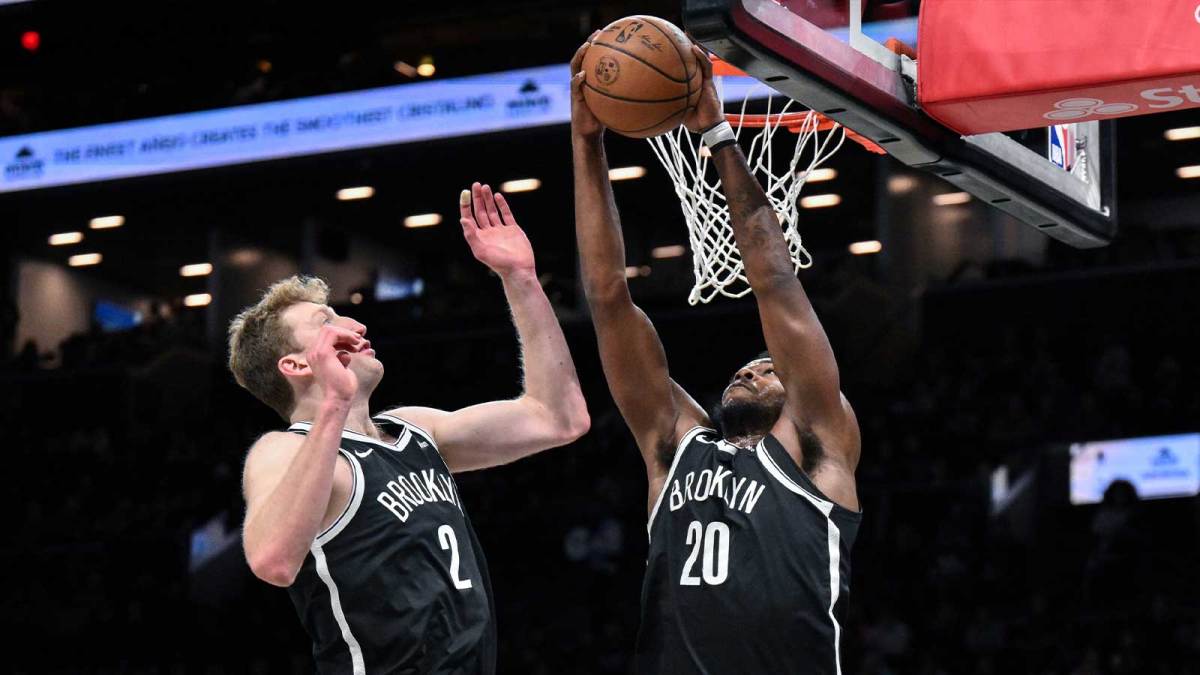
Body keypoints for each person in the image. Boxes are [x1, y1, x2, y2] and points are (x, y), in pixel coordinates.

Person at [570, 38, 863, 674]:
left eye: (768, 367)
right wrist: (587, 142)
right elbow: (607, 296)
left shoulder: (815, 443)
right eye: (745, 366)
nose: (749, 369)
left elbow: (775, 282)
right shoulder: (673, 446)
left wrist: (717, 134)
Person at [227, 183, 590, 675]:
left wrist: (520, 279)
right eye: (326, 321)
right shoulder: (280, 452)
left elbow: (560, 418)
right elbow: (273, 559)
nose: (355, 325)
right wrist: (334, 402)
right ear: (294, 364)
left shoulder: (414, 429)